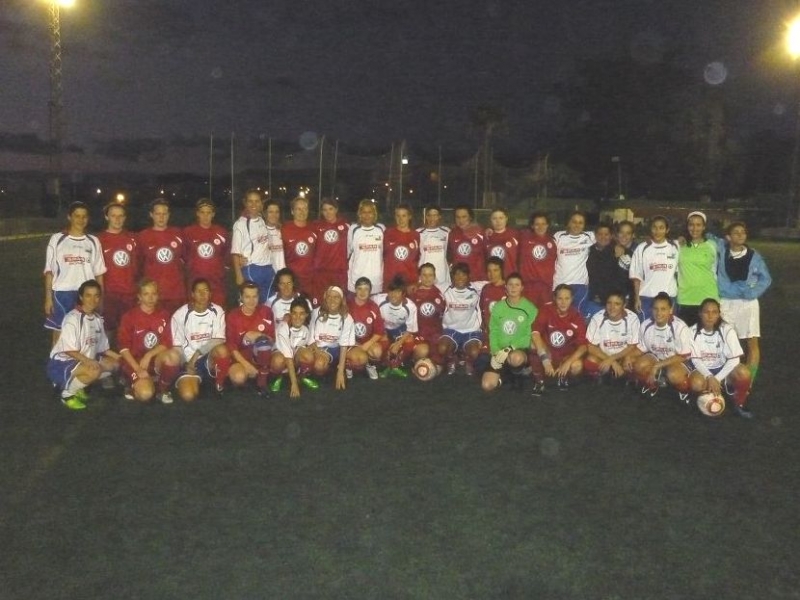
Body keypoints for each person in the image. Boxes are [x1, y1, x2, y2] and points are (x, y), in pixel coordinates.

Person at [46, 280, 119, 410]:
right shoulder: (72, 318)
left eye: (96, 295)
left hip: (82, 361)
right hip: (62, 363)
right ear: (81, 297)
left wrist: (120, 357)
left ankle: (76, 385)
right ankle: (67, 394)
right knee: (94, 370)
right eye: (88, 295)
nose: (92, 300)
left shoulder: (97, 319)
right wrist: (88, 361)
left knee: (114, 365)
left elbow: (103, 348)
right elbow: (68, 350)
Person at [715, 221, 772, 384]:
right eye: (736, 232)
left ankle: (748, 381)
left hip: (747, 304)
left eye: (743, 232)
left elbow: (766, 279)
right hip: (726, 302)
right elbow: (707, 236)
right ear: (728, 237)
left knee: (751, 341)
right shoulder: (722, 249)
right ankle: (726, 377)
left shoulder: (754, 256)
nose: (741, 235)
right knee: (724, 340)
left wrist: (753, 292)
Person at [44, 201, 107, 344]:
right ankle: (57, 357)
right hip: (63, 293)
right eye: (77, 216)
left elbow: (99, 273)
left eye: (84, 216)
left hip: (87, 294)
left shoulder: (93, 241)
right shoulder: (57, 239)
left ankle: (82, 357)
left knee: (85, 331)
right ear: (69, 217)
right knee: (61, 331)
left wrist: (101, 297)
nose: (81, 220)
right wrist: (48, 298)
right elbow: (49, 271)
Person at [117, 279, 182, 404]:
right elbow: (123, 349)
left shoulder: (164, 315)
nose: (151, 298)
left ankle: (162, 389)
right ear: (139, 296)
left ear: (158, 295)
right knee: (145, 394)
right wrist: (137, 369)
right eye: (146, 294)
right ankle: (132, 383)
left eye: (154, 294)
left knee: (173, 355)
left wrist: (149, 355)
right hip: (134, 362)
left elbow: (167, 343)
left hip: (154, 360)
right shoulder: (129, 317)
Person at [688, 298, 753, 418]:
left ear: (719, 314)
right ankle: (703, 397)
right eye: (706, 312)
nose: (710, 316)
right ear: (700, 313)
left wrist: (717, 379)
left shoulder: (727, 330)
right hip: (702, 370)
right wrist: (709, 377)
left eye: (714, 312)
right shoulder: (691, 332)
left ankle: (739, 401)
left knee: (744, 373)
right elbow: (695, 360)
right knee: (696, 383)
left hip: (723, 369)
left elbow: (735, 359)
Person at [171, 278, 231, 401]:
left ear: (210, 294)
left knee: (222, 350)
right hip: (188, 361)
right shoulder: (180, 314)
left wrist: (197, 354)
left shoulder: (218, 311)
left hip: (208, 358)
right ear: (192, 294)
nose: (203, 294)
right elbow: (177, 347)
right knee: (188, 396)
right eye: (199, 291)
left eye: (206, 290)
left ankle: (219, 385)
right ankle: (194, 380)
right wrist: (187, 364)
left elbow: (218, 340)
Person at [480, 273, 538, 392]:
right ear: (505, 287)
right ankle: (507, 375)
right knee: (487, 385)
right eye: (510, 284)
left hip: (518, 350)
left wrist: (510, 348)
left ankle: (518, 372)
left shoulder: (530, 308)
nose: (513, 288)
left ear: (522, 288)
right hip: (500, 351)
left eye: (517, 285)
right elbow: (493, 331)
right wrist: (495, 352)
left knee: (515, 358)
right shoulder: (498, 307)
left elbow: (529, 335)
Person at [629, 292, 692, 398]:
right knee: (638, 365)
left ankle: (684, 390)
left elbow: (683, 356)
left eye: (663, 309)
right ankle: (654, 383)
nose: (659, 313)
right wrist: (628, 356)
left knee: (674, 375)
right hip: (657, 357)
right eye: (655, 309)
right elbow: (641, 348)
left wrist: (657, 366)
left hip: (676, 360)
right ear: (651, 309)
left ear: (671, 310)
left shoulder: (680, 328)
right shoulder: (645, 325)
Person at [530, 284, 588, 395]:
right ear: (554, 298)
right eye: (560, 298)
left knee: (577, 366)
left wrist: (568, 362)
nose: (563, 302)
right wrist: (545, 359)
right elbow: (535, 333)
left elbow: (583, 347)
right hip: (548, 353)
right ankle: (539, 381)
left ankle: (563, 377)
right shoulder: (546, 310)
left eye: (567, 298)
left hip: (565, 356)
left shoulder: (576, 316)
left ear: (572, 299)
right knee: (532, 343)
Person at [96, 201, 138, 342]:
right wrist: (100, 295)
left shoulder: (132, 239)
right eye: (113, 216)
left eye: (121, 216)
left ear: (125, 218)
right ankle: (106, 354)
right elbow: (96, 271)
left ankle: (126, 355)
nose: (117, 219)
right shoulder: (99, 240)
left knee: (128, 331)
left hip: (129, 294)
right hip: (109, 294)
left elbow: (138, 265)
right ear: (106, 217)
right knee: (107, 330)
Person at [226, 281, 276, 395]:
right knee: (238, 378)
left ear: (259, 297)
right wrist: (246, 365)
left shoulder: (266, 311)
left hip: (261, 355)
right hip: (241, 358)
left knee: (264, 343)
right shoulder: (233, 316)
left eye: (254, 296)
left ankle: (262, 381)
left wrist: (258, 335)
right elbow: (231, 346)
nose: (251, 301)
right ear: (241, 297)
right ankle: (251, 374)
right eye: (247, 297)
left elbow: (272, 339)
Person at [137, 198, 187, 315]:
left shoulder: (178, 234)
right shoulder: (142, 236)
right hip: (153, 295)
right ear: (151, 215)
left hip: (175, 293)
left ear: (169, 215)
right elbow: (138, 264)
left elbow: (186, 260)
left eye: (164, 214)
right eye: (158, 214)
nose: (161, 217)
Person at [629, 216, 679, 321]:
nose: (657, 231)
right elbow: (636, 276)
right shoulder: (642, 248)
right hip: (647, 297)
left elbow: (679, 273)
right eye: (654, 227)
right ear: (650, 229)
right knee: (646, 328)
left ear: (667, 230)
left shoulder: (675, 247)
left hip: (669, 296)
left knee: (667, 329)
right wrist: (637, 298)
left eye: (661, 228)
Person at [437, 263, 484, 376]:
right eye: (457, 274)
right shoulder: (445, 288)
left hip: (471, 330)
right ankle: (453, 357)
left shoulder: (477, 288)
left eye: (463, 274)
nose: (460, 278)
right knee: (442, 349)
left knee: (475, 353)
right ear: (452, 276)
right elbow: (428, 284)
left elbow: (495, 283)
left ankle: (466, 358)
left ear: (468, 276)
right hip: (451, 330)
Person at [306, 286, 356, 390]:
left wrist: (340, 372)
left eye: (336, 297)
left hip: (337, 349)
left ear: (341, 300)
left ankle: (339, 366)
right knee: (317, 364)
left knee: (360, 359)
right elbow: (311, 338)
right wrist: (318, 352)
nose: (332, 300)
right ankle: (329, 368)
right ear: (325, 298)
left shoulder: (347, 318)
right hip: (320, 348)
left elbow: (344, 345)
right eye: (329, 296)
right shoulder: (316, 313)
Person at [584, 290, 640, 382]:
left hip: (623, 356)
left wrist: (613, 358)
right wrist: (611, 361)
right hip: (604, 356)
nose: (612, 307)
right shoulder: (597, 318)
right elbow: (590, 346)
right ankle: (605, 375)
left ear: (624, 305)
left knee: (633, 361)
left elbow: (632, 345)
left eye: (617, 304)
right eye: (609, 303)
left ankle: (628, 378)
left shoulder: (632, 318)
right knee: (590, 360)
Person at [183, 198, 230, 308]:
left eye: (208, 213)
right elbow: (183, 256)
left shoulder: (221, 232)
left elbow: (227, 256)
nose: (205, 216)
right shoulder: (188, 232)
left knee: (217, 313)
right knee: (196, 314)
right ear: (197, 213)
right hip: (195, 283)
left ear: (213, 214)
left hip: (216, 284)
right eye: (202, 212)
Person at [677, 211, 718, 327]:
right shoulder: (679, 245)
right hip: (685, 298)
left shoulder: (712, 245)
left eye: (698, 225)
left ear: (704, 227)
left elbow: (715, 269)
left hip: (708, 297)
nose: (695, 228)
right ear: (687, 226)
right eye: (691, 225)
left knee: (707, 335)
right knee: (686, 336)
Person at [231, 189, 273, 303]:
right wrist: (238, 274)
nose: (254, 204)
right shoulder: (240, 224)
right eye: (250, 201)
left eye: (257, 201)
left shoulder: (263, 220)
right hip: (252, 268)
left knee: (267, 304)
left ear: (261, 203)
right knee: (251, 303)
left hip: (268, 268)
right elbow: (235, 252)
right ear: (245, 203)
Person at [374, 275, 421, 377]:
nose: (393, 295)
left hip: (399, 330)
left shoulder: (410, 307)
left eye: (397, 292)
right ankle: (385, 362)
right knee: (383, 340)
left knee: (409, 341)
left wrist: (398, 344)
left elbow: (411, 329)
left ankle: (396, 364)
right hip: (383, 329)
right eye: (391, 291)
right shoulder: (378, 299)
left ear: (403, 294)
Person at [553, 210, 595, 314]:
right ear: (569, 223)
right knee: (559, 315)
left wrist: (619, 246)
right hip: (560, 283)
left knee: (578, 315)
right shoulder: (559, 236)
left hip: (580, 284)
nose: (577, 225)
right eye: (574, 222)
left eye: (580, 222)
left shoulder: (589, 236)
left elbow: (609, 237)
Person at [270, 298, 314, 398]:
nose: (298, 317)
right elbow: (288, 357)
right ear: (290, 313)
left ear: (306, 315)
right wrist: (294, 384)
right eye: (294, 313)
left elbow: (309, 344)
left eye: (301, 314)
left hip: (294, 356)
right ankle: (278, 377)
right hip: (282, 355)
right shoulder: (283, 327)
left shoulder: (307, 328)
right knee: (278, 361)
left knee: (308, 356)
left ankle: (301, 377)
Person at [345, 277, 386, 381]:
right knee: (359, 359)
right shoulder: (347, 305)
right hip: (351, 342)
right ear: (355, 290)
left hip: (367, 341)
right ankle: (348, 365)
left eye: (366, 289)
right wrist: (353, 344)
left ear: (370, 291)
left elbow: (379, 331)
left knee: (377, 352)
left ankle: (370, 365)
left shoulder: (373, 307)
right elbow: (341, 330)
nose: (362, 292)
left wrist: (366, 345)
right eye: (360, 288)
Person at [584, 223, 627, 320]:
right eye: (600, 234)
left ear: (611, 236)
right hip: (594, 299)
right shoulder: (589, 250)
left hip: (613, 301)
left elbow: (623, 278)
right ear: (595, 235)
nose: (603, 237)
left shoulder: (618, 251)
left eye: (606, 234)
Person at [311, 198, 349, 305]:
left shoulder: (346, 226)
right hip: (321, 273)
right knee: (321, 303)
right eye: (325, 210)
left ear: (336, 209)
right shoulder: (316, 226)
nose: (328, 213)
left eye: (330, 209)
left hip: (339, 273)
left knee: (339, 304)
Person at [409, 263, 446, 371]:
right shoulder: (413, 294)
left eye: (430, 275)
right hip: (418, 333)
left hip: (435, 334)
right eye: (424, 275)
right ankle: (413, 361)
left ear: (434, 277)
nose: (427, 278)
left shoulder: (440, 294)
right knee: (423, 351)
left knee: (439, 360)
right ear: (419, 277)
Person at [281, 196, 318, 299]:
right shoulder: (284, 229)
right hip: (292, 281)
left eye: (305, 208)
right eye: (298, 209)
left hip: (311, 280)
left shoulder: (315, 228)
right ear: (292, 211)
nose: (302, 212)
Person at [519, 212, 556, 309]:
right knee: (528, 313)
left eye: (543, 224)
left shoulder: (553, 241)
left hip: (546, 287)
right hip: (528, 286)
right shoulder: (523, 238)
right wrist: (489, 231)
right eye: (537, 224)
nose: (540, 227)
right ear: (532, 226)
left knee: (544, 315)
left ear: (547, 225)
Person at [347, 199, 385, 294]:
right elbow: (348, 252)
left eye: (370, 212)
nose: (367, 215)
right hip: (357, 279)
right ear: (360, 214)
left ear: (374, 214)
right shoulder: (353, 229)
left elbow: (385, 253)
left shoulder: (381, 229)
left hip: (376, 280)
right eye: (364, 212)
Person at [383, 203, 420, 290]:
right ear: (395, 217)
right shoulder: (387, 233)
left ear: (409, 217)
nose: (401, 219)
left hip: (409, 283)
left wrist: (415, 282)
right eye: (398, 216)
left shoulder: (416, 235)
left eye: (404, 216)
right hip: (391, 282)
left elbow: (417, 259)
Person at [448, 205, 485, 280]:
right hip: (459, 280)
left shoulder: (481, 232)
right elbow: (449, 256)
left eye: (464, 217)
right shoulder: (451, 234)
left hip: (477, 278)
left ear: (470, 217)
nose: (461, 220)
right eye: (458, 217)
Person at [417, 205, 451, 287]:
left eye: (435, 215)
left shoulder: (446, 232)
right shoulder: (418, 232)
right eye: (429, 215)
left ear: (439, 216)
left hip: (442, 274)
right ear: (426, 217)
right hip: (425, 275)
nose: (432, 218)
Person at [484, 208, 519, 276]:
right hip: (493, 277)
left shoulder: (515, 235)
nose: (498, 221)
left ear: (506, 219)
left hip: (510, 277)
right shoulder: (486, 236)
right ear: (490, 220)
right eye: (494, 218)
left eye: (501, 218)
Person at [478, 257, 507, 333]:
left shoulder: (509, 289)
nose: (492, 274)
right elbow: (482, 312)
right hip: (489, 334)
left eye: (495, 270)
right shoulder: (485, 289)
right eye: (489, 271)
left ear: (501, 271)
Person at [613, 220, 637, 305]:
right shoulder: (611, 248)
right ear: (617, 234)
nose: (624, 236)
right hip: (614, 296)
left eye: (628, 233)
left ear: (633, 235)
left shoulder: (638, 252)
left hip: (631, 298)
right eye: (621, 232)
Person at [265, 199, 286, 272]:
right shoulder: (261, 232)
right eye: (270, 212)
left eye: (277, 212)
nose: (274, 215)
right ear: (265, 213)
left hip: (284, 275)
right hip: (268, 274)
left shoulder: (284, 231)